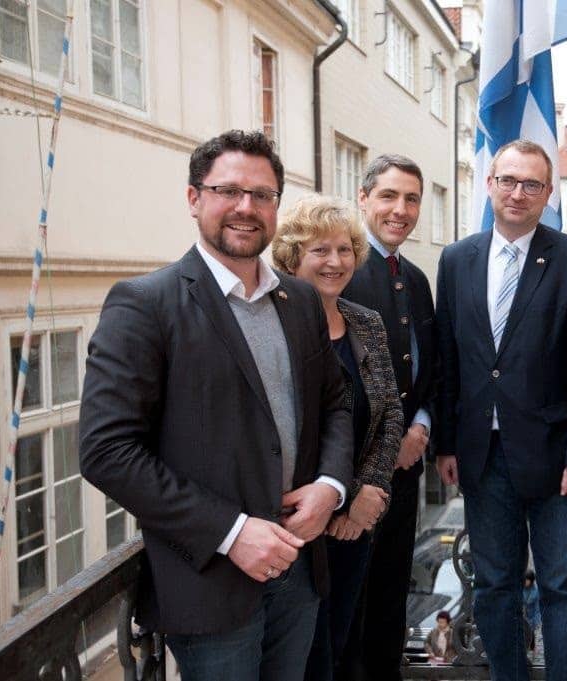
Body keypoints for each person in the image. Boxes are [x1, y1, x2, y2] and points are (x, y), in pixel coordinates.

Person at [78, 130, 354, 681]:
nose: (246, 208)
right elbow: (106, 451)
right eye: (228, 190)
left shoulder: (298, 299)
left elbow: (337, 401)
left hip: (298, 570)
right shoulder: (145, 304)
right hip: (211, 583)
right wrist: (231, 532)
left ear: (277, 205)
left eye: (262, 194)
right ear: (193, 198)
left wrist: (331, 486)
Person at [434, 139, 567, 681]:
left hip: (556, 461)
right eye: (507, 180)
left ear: (548, 194)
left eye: (531, 184)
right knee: (494, 587)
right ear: (489, 184)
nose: (517, 192)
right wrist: (445, 443)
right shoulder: (457, 259)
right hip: (483, 456)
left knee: (563, 587)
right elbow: (448, 357)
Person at [270, 195, 403, 681]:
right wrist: (320, 503)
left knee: (344, 648)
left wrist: (369, 489)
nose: (335, 261)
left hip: (353, 525)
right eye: (319, 250)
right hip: (291, 526)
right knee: (302, 661)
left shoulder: (366, 322)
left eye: (345, 249)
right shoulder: (270, 321)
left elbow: (390, 413)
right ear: (290, 256)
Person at [339, 154, 438, 681]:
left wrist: (421, 423)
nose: (400, 210)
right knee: (351, 609)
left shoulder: (416, 279)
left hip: (407, 472)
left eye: (412, 199)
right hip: (353, 480)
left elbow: (430, 364)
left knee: (391, 600)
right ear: (363, 198)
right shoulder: (342, 273)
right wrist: (391, 440)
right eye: (389, 196)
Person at [521, 570, 540, 652]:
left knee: (531, 631)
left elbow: (537, 607)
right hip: (522, 613)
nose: (526, 582)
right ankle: (524, 646)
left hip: (531, 615)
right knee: (523, 631)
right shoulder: (521, 589)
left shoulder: (535, 592)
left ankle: (532, 646)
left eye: (527, 580)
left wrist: (537, 619)